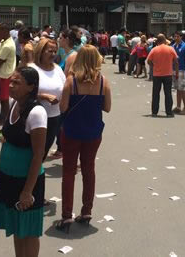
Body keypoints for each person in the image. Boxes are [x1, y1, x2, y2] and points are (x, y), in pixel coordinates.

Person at [0, 67, 47, 256]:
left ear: (31, 87)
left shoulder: (37, 113)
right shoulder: (14, 104)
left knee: (29, 230)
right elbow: (5, 140)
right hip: (8, 176)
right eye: (11, 81)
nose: (11, 85)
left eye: (17, 82)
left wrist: (27, 191)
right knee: (17, 227)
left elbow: (38, 154)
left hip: (26, 181)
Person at [57, 45, 111, 232]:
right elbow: (107, 107)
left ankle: (66, 215)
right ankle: (87, 211)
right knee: (89, 171)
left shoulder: (71, 82)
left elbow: (63, 108)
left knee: (68, 172)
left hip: (71, 131)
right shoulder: (103, 82)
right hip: (93, 132)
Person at [31, 37, 66, 159]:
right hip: (34, 117)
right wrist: (43, 96)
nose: (53, 54)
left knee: (44, 151)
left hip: (54, 117)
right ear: (41, 51)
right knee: (33, 152)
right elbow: (22, 93)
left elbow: (65, 88)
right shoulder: (32, 69)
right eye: (50, 51)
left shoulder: (57, 69)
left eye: (55, 51)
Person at [147, 34, 178, 117]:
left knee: (155, 93)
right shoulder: (170, 49)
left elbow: (148, 61)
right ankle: (169, 112)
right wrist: (176, 72)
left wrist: (154, 66)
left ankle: (154, 112)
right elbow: (176, 61)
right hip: (168, 74)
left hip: (157, 74)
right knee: (168, 93)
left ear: (158, 41)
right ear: (164, 40)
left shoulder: (154, 49)